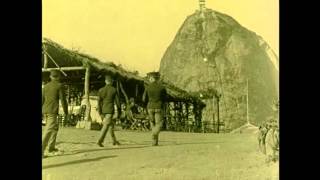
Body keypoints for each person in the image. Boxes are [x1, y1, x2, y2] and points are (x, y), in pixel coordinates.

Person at [42, 70, 68, 158]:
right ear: (59, 76)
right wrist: (66, 111)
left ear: (50, 76)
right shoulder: (59, 86)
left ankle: (51, 147)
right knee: (48, 130)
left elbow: (42, 100)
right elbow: (63, 100)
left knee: (55, 128)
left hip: (45, 110)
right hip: (52, 111)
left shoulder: (45, 86)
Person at [142, 72, 167, 146]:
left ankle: (154, 142)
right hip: (159, 107)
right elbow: (165, 98)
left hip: (150, 107)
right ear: (157, 79)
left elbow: (143, 99)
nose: (149, 79)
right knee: (159, 124)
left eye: (150, 78)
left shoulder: (147, 87)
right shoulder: (162, 87)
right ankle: (154, 134)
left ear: (152, 78)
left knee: (152, 123)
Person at [96, 75, 121, 147]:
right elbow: (118, 102)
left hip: (103, 110)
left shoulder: (101, 90)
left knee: (110, 126)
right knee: (106, 125)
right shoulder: (114, 90)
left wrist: (100, 112)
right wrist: (119, 112)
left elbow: (99, 103)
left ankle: (114, 141)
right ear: (112, 81)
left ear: (105, 81)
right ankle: (99, 141)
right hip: (110, 110)